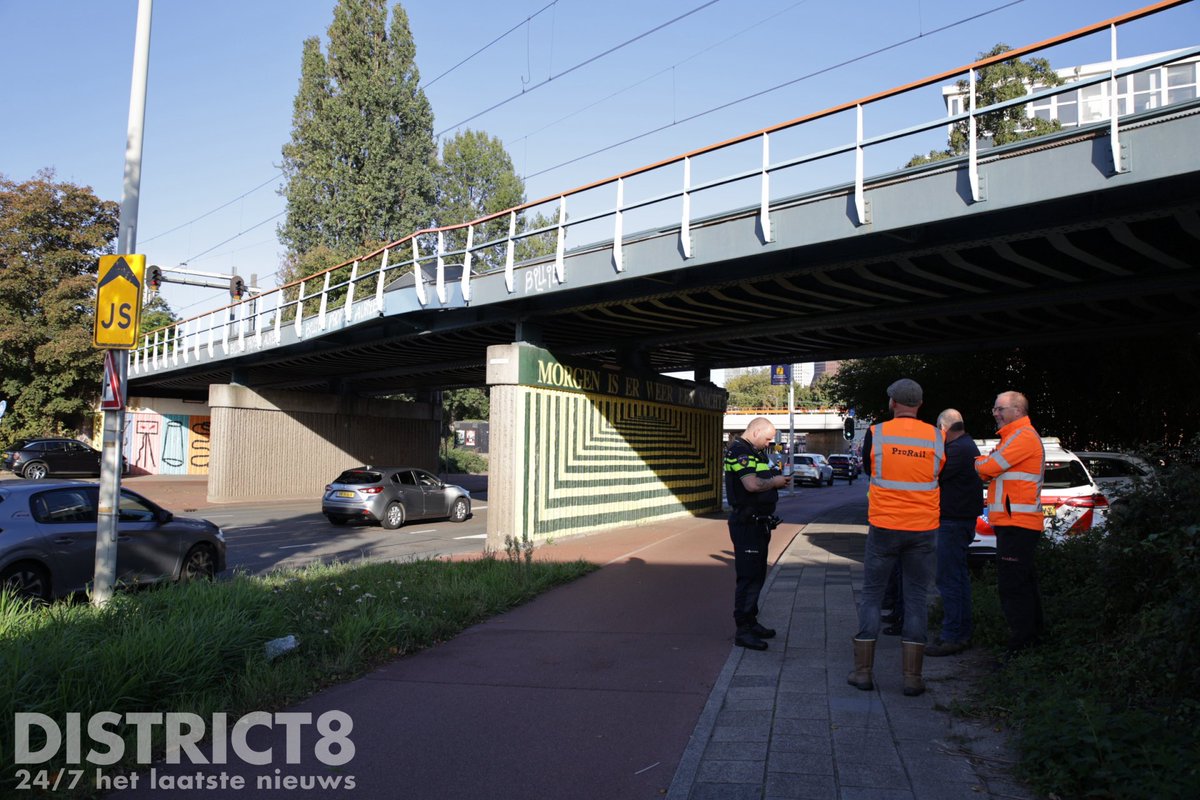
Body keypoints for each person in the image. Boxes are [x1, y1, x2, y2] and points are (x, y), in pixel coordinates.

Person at [848, 378, 944, 696]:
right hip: (923, 528)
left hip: (885, 526)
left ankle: (863, 673)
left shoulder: (877, 433)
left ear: (892, 402)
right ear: (919, 405)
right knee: (916, 598)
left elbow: (867, 468)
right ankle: (912, 678)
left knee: (872, 595)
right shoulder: (936, 436)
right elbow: (937, 471)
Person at [975, 391, 1045, 654]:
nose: (995, 412)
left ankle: (1020, 648)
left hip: (1018, 524)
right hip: (1016, 523)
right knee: (1023, 585)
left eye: (999, 408)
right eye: (994, 408)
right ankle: (1032, 641)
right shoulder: (1013, 437)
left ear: (1017, 410)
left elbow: (988, 467)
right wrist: (985, 462)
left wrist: (980, 462)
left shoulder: (1022, 436)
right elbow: (991, 465)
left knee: (1013, 588)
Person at [724, 417, 792, 650]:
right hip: (747, 523)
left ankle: (751, 621)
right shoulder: (740, 451)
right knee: (748, 577)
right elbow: (751, 485)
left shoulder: (754, 450)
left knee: (758, 575)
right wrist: (775, 482)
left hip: (758, 523)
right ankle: (742, 630)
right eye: (767, 438)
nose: (769, 442)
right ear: (756, 432)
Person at [926, 409, 983, 656]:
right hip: (959, 521)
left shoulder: (957, 450)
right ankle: (958, 632)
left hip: (953, 522)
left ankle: (954, 636)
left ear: (942, 427)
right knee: (957, 578)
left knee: (949, 579)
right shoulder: (966, 446)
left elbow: (932, 474)